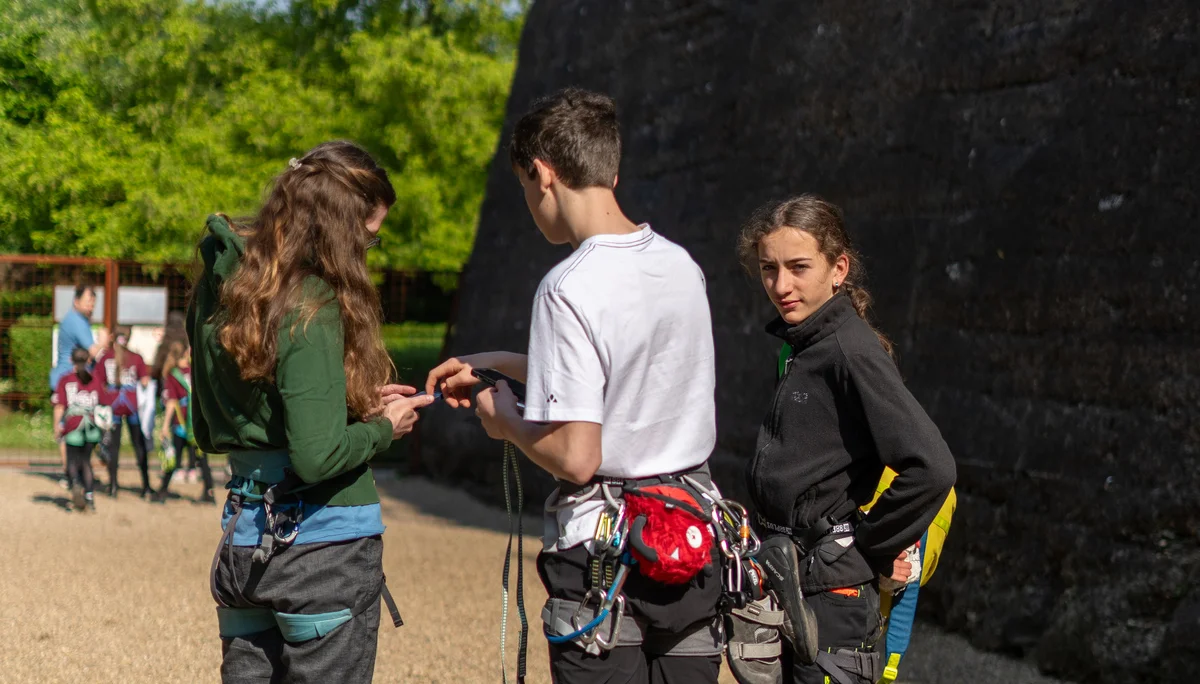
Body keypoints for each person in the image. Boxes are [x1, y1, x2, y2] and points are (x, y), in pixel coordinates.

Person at [425, 88, 725, 683]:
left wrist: (503, 417)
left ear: (541, 174)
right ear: (610, 169)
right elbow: (626, 380)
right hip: (692, 536)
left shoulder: (568, 285)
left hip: (607, 557)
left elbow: (577, 457)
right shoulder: (681, 265)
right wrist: (505, 361)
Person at [191, 141, 431, 683]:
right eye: (369, 235)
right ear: (341, 225)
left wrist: (348, 406)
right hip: (322, 548)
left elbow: (208, 429)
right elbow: (317, 457)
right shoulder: (311, 300)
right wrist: (383, 427)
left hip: (242, 544)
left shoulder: (219, 291)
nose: (369, 248)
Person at [735, 195, 957, 684]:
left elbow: (932, 466)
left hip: (833, 601)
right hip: (791, 582)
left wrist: (871, 547)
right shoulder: (804, 345)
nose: (780, 285)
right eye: (769, 269)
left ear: (839, 269)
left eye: (798, 267)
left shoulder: (849, 350)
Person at [49, 284, 109, 488]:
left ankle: (76, 472)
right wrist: (103, 340)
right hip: (69, 382)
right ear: (76, 302)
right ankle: (71, 474)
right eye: (87, 300)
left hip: (76, 380)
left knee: (78, 426)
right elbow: (93, 351)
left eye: (93, 301)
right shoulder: (75, 321)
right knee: (68, 427)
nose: (91, 305)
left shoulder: (78, 320)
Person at [52, 347, 114, 512]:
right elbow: (104, 402)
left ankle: (75, 484)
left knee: (72, 461)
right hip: (92, 426)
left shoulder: (66, 380)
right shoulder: (95, 379)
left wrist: (57, 425)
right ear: (88, 360)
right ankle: (89, 497)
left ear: (71, 360)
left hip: (73, 425)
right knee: (86, 462)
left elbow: (60, 406)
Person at [96, 325, 154, 499]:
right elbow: (144, 381)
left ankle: (113, 486)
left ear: (113, 336)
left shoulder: (105, 358)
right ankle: (146, 486)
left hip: (113, 404)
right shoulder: (136, 358)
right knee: (139, 445)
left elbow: (99, 382)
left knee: (114, 447)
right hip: (132, 405)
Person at [152, 341, 214, 503]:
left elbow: (172, 402)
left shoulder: (174, 375)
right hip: (197, 424)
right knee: (202, 459)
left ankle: (163, 491)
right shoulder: (195, 372)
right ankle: (209, 492)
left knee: (174, 458)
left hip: (181, 423)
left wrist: (165, 426)